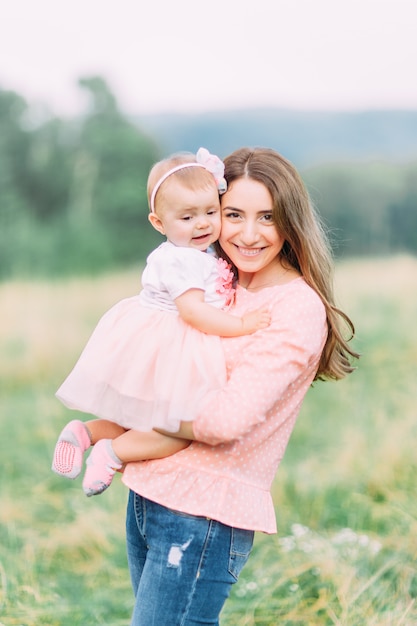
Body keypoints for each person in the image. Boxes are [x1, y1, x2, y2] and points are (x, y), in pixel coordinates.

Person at [120, 146, 359, 625]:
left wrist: (140, 416)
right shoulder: (213, 279)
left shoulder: (295, 307)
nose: (249, 235)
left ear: (290, 221)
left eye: (267, 217)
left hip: (201, 516)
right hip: (147, 495)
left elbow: (225, 420)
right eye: (234, 214)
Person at [52, 148, 270, 497]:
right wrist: (243, 325)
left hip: (153, 341)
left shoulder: (194, 253)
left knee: (136, 419)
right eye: (187, 217)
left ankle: (85, 434)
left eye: (210, 212)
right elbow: (194, 312)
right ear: (159, 222)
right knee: (175, 433)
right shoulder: (183, 261)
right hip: (173, 344)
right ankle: (111, 454)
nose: (202, 224)